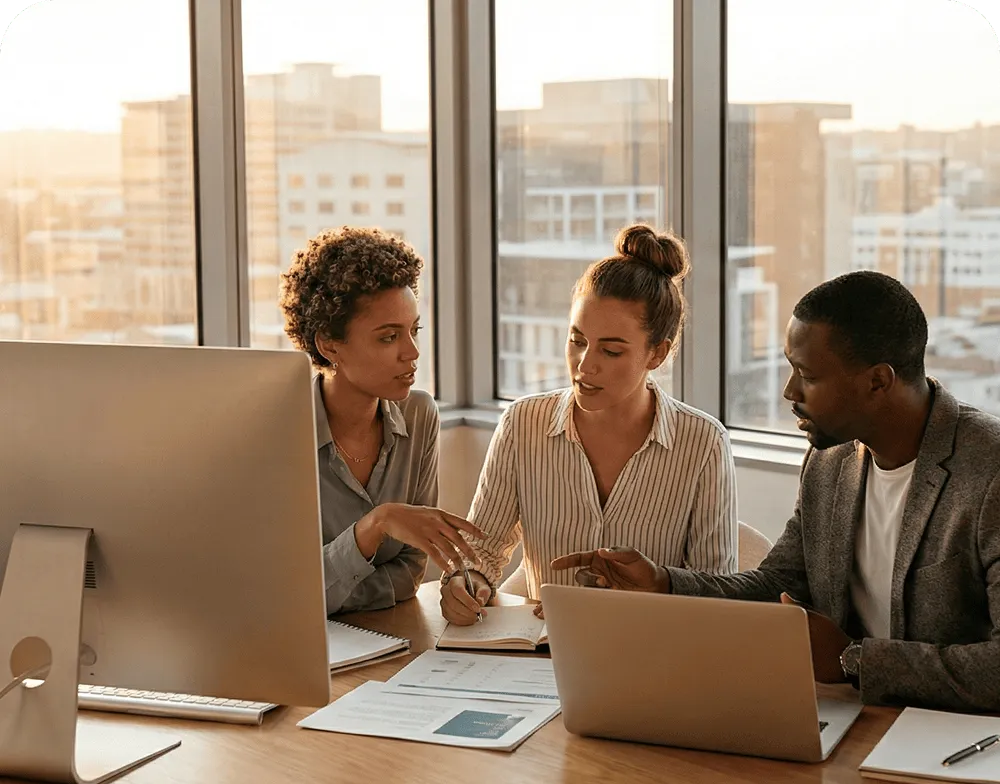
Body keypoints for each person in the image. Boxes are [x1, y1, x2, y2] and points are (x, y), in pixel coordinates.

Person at [553, 270, 1000, 714]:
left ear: (877, 382)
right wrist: (664, 583)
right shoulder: (831, 461)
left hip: (958, 742)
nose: (790, 390)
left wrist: (854, 661)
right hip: (852, 719)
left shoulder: (988, 471)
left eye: (807, 374)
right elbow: (775, 586)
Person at [440, 224, 738, 625]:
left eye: (611, 350)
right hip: (542, 660)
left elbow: (714, 591)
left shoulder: (703, 443)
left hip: (653, 659)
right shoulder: (522, 425)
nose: (584, 365)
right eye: (577, 340)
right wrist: (468, 582)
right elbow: (483, 552)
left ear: (657, 354)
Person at [281, 226, 482, 614]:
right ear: (329, 344)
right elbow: (284, 594)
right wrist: (376, 525)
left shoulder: (419, 416)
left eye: (414, 330)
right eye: (389, 337)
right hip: (297, 654)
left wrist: (328, 587)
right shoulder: (278, 433)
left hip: (392, 637)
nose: (412, 353)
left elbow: (411, 572)